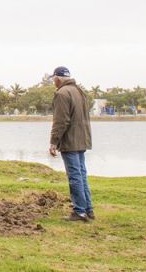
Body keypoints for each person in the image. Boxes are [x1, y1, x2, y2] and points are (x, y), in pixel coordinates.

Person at [48, 66, 94, 222]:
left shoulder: (62, 93)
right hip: (82, 139)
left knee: (74, 176)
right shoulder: (79, 91)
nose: (53, 82)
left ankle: (79, 211)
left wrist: (54, 142)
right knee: (81, 174)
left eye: (53, 79)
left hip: (70, 141)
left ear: (58, 78)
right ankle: (88, 208)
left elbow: (61, 121)